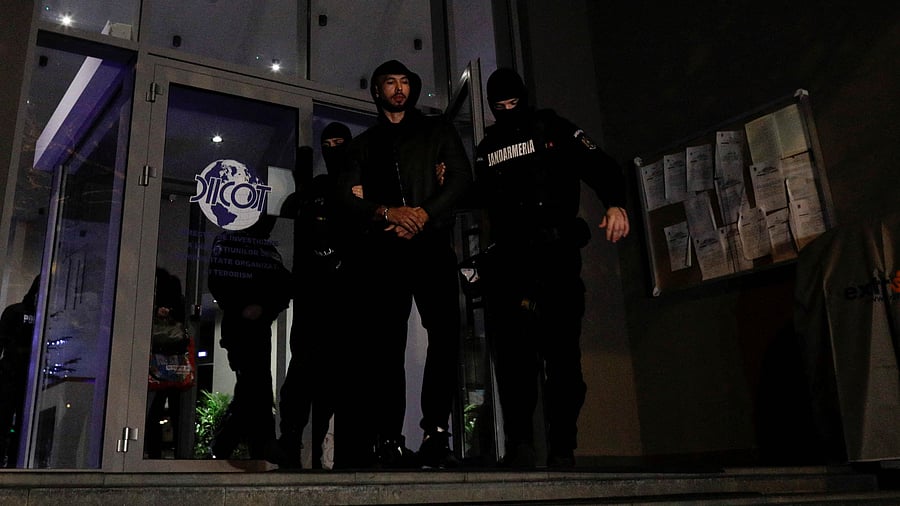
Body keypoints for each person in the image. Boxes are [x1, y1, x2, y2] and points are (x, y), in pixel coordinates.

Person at [474, 68, 630, 468]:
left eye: (513, 102)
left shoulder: (553, 128)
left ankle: (563, 446)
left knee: (562, 357)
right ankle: (522, 444)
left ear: (523, 98)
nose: (507, 110)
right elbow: (475, 197)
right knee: (514, 361)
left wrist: (615, 202)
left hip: (556, 256)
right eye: (500, 105)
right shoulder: (486, 148)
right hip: (510, 263)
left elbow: (600, 165)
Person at [335, 59, 471, 468]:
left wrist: (423, 215)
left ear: (412, 88)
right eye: (389, 83)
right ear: (377, 91)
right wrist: (387, 213)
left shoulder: (436, 130)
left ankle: (436, 434)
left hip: (431, 247)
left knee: (446, 336)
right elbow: (344, 200)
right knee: (386, 347)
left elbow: (462, 180)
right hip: (384, 255)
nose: (398, 89)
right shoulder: (362, 145)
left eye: (404, 82)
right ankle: (389, 439)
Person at [268, 123, 353, 469]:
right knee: (302, 376)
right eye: (328, 143)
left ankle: (322, 450)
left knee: (334, 378)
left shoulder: (356, 189)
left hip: (342, 301)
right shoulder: (315, 190)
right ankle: (292, 443)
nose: (333, 148)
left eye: (339, 143)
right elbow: (290, 216)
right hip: (311, 300)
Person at [207, 214, 292, 459]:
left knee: (254, 387)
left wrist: (263, 306)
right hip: (242, 328)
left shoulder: (260, 247)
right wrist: (249, 306)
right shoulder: (236, 242)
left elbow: (283, 284)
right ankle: (250, 445)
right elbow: (221, 281)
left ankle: (242, 445)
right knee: (255, 386)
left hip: (254, 328)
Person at [0, 276, 39, 468]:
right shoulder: (16, 312)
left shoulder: (44, 315)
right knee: (5, 420)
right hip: (11, 375)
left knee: (25, 424)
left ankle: (16, 463)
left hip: (31, 379)